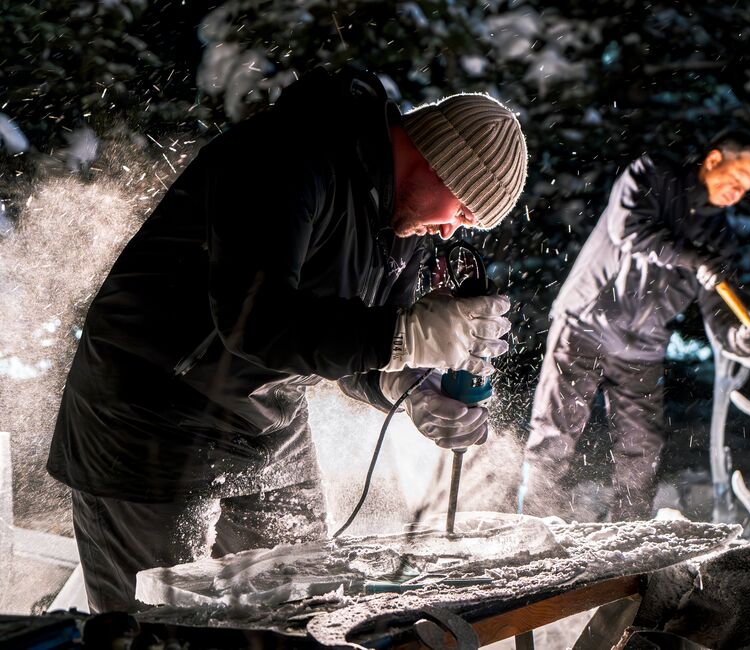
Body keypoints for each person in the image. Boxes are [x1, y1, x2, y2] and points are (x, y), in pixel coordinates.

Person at [46, 67, 528, 612]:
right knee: (163, 630)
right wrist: (405, 336)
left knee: (301, 613)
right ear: (439, 162)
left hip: (269, 425)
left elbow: (351, 336)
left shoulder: (399, 217)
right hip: (150, 416)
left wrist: (408, 384)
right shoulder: (290, 155)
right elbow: (259, 321)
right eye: (461, 211)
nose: (449, 232)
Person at [521, 134, 750, 522]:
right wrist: (693, 258)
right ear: (714, 159)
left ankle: (627, 535)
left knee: (642, 449)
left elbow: (719, 309)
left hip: (643, 345)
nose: (738, 191)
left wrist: (742, 336)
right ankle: (533, 526)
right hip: (586, 322)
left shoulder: (719, 237)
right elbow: (631, 231)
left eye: (747, 188)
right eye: (737, 177)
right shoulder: (653, 175)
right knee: (556, 433)